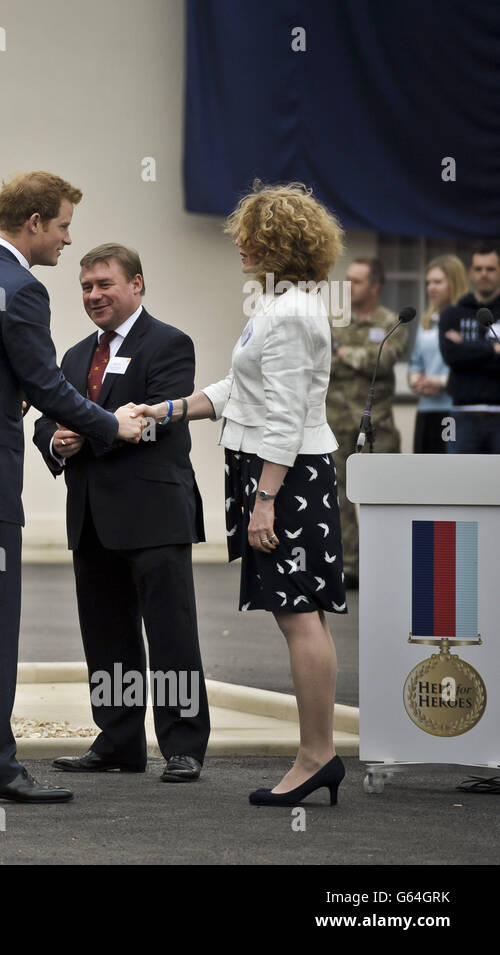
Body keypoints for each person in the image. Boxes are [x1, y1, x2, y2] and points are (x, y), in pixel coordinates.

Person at [0, 172, 144, 805]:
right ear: (36, 223)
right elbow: (45, 385)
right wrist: (112, 425)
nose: (70, 240)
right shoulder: (20, 287)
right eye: (65, 225)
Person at [134, 181, 348, 807]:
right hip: (285, 475)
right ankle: (319, 754)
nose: (240, 249)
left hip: (287, 480)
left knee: (299, 615)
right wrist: (174, 407)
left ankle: (315, 756)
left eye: (251, 240)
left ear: (278, 244)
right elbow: (240, 389)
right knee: (302, 615)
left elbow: (282, 419)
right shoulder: (282, 309)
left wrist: (264, 500)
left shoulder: (288, 315)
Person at [35, 244, 209, 782]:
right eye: (86, 287)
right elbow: (45, 420)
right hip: (91, 518)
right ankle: (119, 740)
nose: (93, 296)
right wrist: (56, 440)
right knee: (107, 636)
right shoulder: (73, 355)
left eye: (104, 284)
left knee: (170, 633)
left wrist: (85, 433)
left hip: (153, 515)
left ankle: (183, 745)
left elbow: (160, 421)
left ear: (136, 284)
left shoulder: (169, 344)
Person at [326, 257, 406, 587]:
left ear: (374, 286)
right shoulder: (335, 320)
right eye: (348, 279)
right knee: (339, 498)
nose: (350, 286)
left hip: (376, 429)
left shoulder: (391, 321)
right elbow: (323, 363)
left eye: (357, 280)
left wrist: (345, 354)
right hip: (336, 424)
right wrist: (353, 358)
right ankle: (351, 567)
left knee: (383, 498)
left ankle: (389, 563)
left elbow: (384, 360)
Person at [439, 241, 500, 454]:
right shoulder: (453, 314)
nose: (484, 274)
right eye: (479, 269)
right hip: (460, 416)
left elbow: (461, 356)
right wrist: (493, 350)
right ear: (471, 273)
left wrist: (466, 348)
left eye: (490, 269)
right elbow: (451, 356)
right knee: (457, 481)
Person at [409, 255, 469, 453]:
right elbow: (415, 362)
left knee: (450, 472)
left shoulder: (467, 319)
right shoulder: (427, 320)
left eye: (438, 282)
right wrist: (416, 379)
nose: (431, 288)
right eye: (428, 282)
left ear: (454, 282)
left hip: (453, 408)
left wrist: (440, 381)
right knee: (425, 473)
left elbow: (473, 364)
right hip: (426, 408)